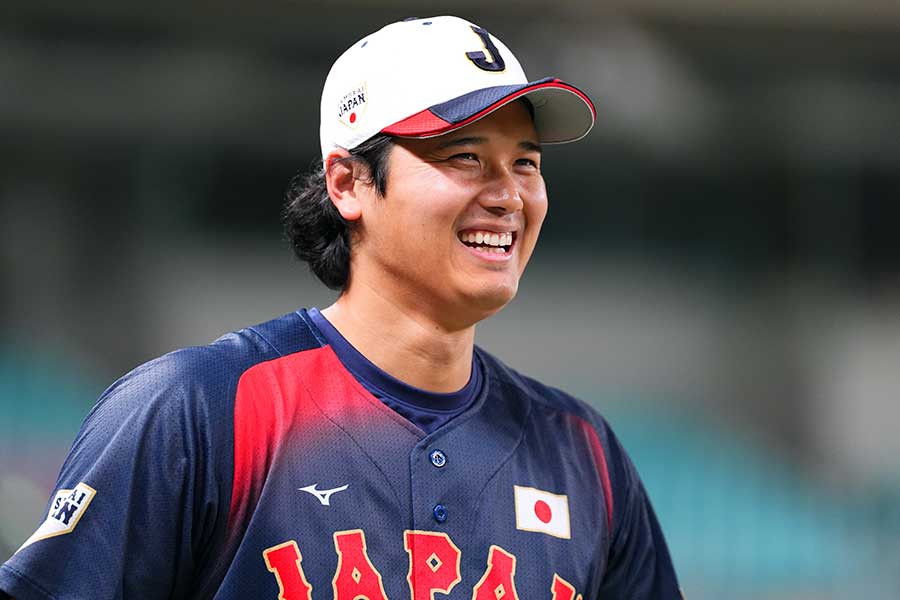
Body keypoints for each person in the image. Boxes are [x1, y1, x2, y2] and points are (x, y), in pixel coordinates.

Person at [0, 15, 681, 599]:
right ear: (349, 183)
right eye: (465, 157)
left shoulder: (583, 453)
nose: (508, 195)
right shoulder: (199, 411)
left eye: (526, 163)